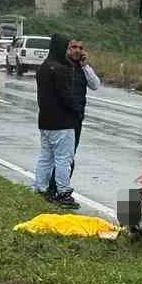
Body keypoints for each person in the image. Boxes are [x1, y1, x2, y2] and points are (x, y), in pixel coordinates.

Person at [45, 37, 100, 196]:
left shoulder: (83, 69)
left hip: (76, 118)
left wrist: (85, 66)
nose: (77, 50)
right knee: (60, 157)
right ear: (66, 49)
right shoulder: (60, 67)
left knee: (68, 156)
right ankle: (55, 189)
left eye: (80, 48)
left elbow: (95, 85)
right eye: (73, 47)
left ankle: (56, 188)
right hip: (61, 118)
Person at [34, 34, 83, 209]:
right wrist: (76, 110)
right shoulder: (61, 69)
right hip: (63, 122)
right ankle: (63, 192)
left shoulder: (44, 67)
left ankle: (41, 187)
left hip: (45, 120)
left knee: (45, 157)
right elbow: (66, 96)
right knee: (64, 159)